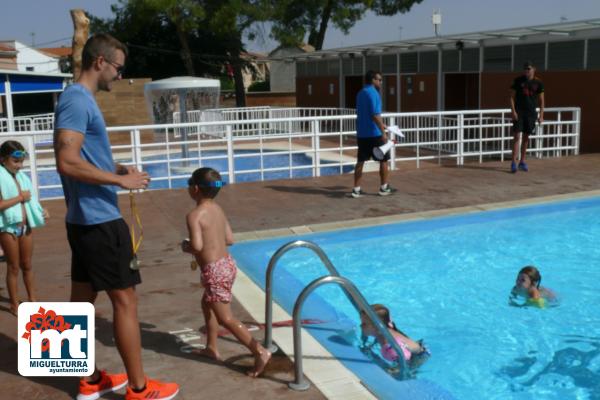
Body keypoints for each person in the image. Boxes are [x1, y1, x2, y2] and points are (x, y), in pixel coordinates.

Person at [53, 34, 179, 400]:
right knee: (125, 302)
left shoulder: (76, 99)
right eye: (119, 68)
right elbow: (66, 161)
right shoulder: (77, 100)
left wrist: (112, 165)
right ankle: (139, 389)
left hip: (83, 221)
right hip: (100, 222)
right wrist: (120, 180)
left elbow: (81, 156)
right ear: (100, 63)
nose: (120, 77)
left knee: (79, 304)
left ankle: (89, 379)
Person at [181, 167, 271, 377]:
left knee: (226, 318)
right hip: (227, 264)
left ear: (195, 189)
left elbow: (196, 245)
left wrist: (186, 247)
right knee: (207, 304)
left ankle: (260, 351)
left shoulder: (194, 215)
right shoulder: (218, 209)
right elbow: (230, 239)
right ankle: (211, 348)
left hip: (214, 271)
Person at [0, 141, 48, 316]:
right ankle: (14, 304)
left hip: (25, 226)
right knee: (13, 267)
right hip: (8, 228)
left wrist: (41, 211)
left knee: (27, 265)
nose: (19, 166)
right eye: (15, 161)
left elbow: (31, 200)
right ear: (3, 159)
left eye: (21, 162)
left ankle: (32, 299)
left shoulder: (21, 177)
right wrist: (20, 197)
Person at [352, 70, 393, 198]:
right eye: (379, 80)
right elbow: (375, 114)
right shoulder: (374, 93)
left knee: (360, 161)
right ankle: (384, 187)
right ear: (373, 80)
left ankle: (356, 189)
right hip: (375, 134)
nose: (381, 82)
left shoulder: (360, 93)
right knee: (383, 160)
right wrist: (383, 132)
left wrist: (383, 124)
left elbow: (366, 114)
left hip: (362, 134)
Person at [360, 304, 429, 363]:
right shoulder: (383, 331)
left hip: (418, 356)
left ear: (377, 327)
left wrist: (394, 370)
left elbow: (405, 363)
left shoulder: (391, 348)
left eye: (364, 324)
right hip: (414, 347)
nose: (361, 325)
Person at [510, 61, 545, 173]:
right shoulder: (518, 80)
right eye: (525, 68)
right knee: (516, 136)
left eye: (528, 68)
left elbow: (542, 100)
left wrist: (541, 115)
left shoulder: (538, 83)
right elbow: (511, 97)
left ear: (534, 69)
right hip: (519, 112)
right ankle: (513, 162)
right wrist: (513, 111)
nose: (526, 70)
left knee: (526, 137)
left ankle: (522, 161)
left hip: (531, 113)